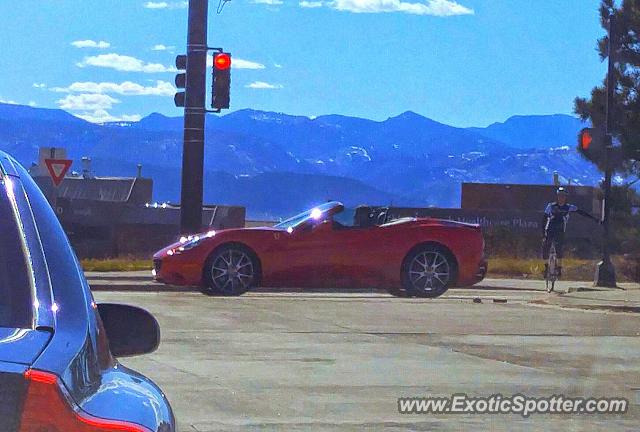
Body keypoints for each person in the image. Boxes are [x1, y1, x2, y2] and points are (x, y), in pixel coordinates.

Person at [542, 187, 600, 278]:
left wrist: (595, 219)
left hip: (560, 230)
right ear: (557, 196)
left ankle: (559, 268)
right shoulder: (551, 206)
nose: (561, 198)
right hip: (550, 228)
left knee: (559, 249)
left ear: (565, 197)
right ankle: (546, 268)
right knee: (545, 246)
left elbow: (582, 212)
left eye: (563, 196)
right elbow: (544, 219)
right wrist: (543, 232)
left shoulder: (569, 207)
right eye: (559, 196)